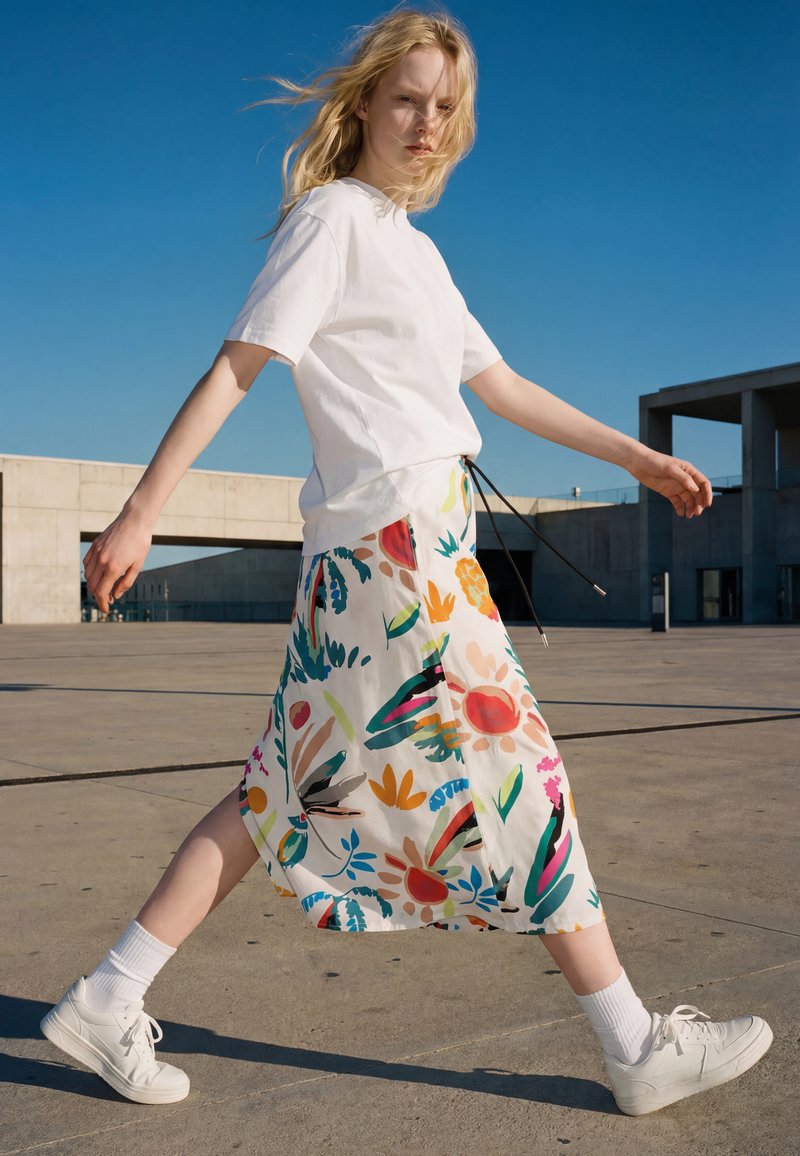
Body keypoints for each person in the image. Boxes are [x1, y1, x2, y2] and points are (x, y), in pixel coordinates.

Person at [41, 7, 772, 1117]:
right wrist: (141, 511)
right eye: (407, 99)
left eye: (444, 107)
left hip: (385, 556)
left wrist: (638, 459)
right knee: (520, 775)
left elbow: (505, 389)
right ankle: (631, 1044)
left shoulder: (414, 252)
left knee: (283, 794)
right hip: (397, 556)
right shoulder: (331, 218)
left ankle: (108, 995)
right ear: (365, 104)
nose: (426, 123)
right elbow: (239, 367)